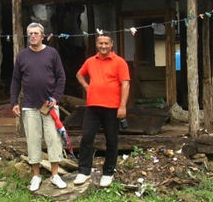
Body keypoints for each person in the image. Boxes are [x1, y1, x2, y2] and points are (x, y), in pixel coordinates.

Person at [10, 22, 67, 192]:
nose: (33, 36)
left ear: (42, 36)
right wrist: (14, 102)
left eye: (36, 33)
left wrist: (56, 98)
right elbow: (15, 81)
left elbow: (61, 77)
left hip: (49, 105)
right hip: (29, 106)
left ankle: (55, 175)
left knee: (53, 139)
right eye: (30, 34)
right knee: (33, 140)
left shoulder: (52, 53)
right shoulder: (22, 56)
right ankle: (36, 176)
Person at [74, 32, 130, 187]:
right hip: (93, 106)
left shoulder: (119, 62)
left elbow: (125, 84)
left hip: (112, 108)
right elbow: (79, 74)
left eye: (106, 43)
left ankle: (108, 172)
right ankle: (83, 171)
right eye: (100, 43)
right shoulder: (91, 61)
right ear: (97, 45)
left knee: (111, 140)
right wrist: (86, 86)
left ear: (111, 44)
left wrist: (123, 106)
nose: (103, 46)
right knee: (86, 137)